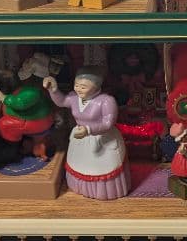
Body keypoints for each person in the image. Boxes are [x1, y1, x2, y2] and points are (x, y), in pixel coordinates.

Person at [43, 67, 130, 199]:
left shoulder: (106, 101)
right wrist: (53, 90)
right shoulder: (74, 97)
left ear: (96, 86)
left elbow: (108, 123)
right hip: (81, 138)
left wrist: (89, 129)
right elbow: (62, 101)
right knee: (80, 164)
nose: (78, 89)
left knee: (100, 167)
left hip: (101, 138)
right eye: (76, 85)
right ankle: (81, 188)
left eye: (83, 87)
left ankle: (103, 192)